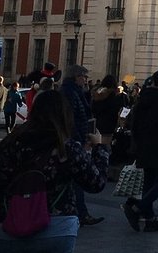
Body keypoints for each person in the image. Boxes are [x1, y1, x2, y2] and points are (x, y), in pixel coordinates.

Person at [0, 89, 109, 253]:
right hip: (57, 229)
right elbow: (96, 183)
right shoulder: (67, 148)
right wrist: (100, 148)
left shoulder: (9, 145)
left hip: (10, 226)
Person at [122, 68, 158, 233]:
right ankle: (137, 208)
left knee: (149, 183)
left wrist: (136, 144)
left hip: (144, 146)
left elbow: (135, 123)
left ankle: (150, 220)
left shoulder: (143, 98)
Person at [59, 64, 102, 226]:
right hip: (75, 142)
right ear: (76, 77)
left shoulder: (75, 92)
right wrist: (80, 141)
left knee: (73, 179)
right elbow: (72, 120)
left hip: (77, 140)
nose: (85, 80)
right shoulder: (70, 93)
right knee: (77, 179)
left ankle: (74, 211)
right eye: (84, 77)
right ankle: (79, 213)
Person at [91, 75, 128, 147]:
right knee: (106, 148)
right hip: (110, 126)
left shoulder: (97, 95)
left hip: (97, 126)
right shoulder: (116, 97)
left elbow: (93, 109)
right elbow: (121, 111)